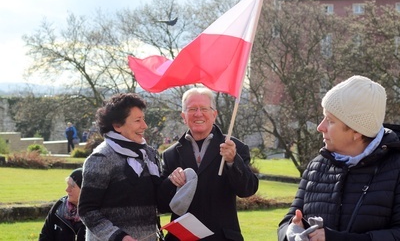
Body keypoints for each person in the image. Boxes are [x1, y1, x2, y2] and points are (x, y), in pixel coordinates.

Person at [277, 75, 400, 241]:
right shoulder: (316, 166)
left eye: (330, 121)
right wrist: (289, 232)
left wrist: (334, 238)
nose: (320, 127)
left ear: (357, 131)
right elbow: (289, 219)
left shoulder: (396, 169)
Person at [158, 87, 259, 240]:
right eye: (192, 109)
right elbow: (162, 205)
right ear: (183, 116)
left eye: (204, 108)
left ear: (214, 114)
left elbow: (247, 190)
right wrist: (171, 182)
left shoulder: (235, 148)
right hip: (182, 238)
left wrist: (233, 161)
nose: (198, 114)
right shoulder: (170, 154)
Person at [78, 93, 163, 241]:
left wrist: (177, 183)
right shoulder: (101, 158)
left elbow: (157, 203)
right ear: (117, 125)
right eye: (137, 120)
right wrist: (119, 237)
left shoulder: (148, 154)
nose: (144, 126)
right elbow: (87, 210)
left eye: (143, 119)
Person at [39, 168, 86, 241]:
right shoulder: (59, 206)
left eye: (72, 186)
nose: (67, 189)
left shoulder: (96, 214)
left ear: (84, 189)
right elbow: (45, 236)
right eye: (68, 185)